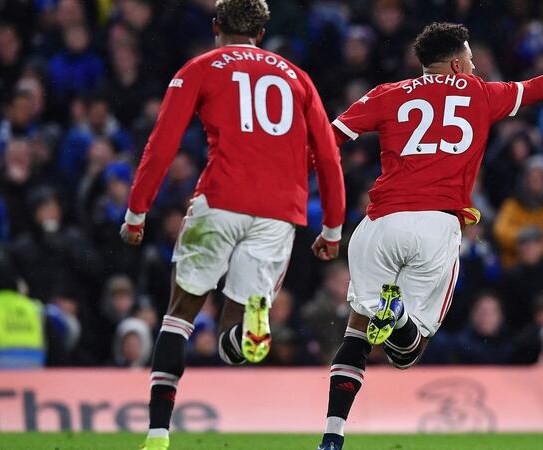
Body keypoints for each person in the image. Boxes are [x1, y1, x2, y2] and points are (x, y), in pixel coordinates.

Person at [318, 22, 543, 450]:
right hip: (435, 225)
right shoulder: (482, 95)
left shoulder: (387, 94)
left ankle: (332, 437)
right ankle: (396, 321)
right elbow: (541, 87)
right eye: (470, 58)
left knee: (356, 330)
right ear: (455, 63)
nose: (475, 65)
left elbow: (328, 140)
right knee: (407, 352)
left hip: (379, 225)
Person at [118, 1, 345, 449]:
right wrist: (333, 227)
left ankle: (158, 434)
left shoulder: (201, 67)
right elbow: (328, 152)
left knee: (179, 315)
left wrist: (136, 211)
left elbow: (161, 144)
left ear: (216, 26)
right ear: (261, 33)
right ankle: (248, 328)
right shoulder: (297, 77)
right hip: (280, 214)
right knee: (231, 341)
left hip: (219, 202)